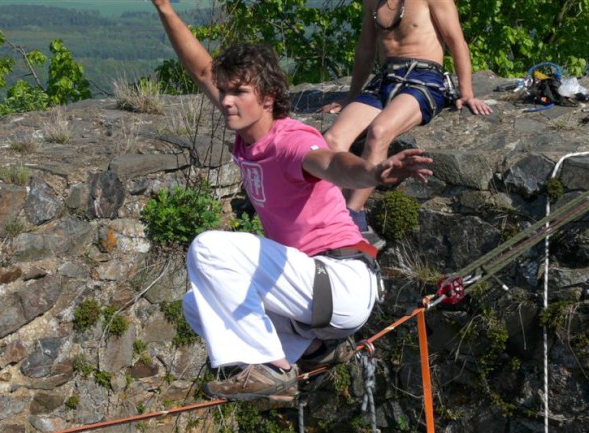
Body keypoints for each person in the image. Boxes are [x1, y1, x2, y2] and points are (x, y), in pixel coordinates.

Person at [151, 0, 433, 403]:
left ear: (267, 98)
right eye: (225, 91)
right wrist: (164, 7)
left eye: (239, 92)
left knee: (208, 249)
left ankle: (271, 369)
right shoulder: (250, 133)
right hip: (314, 306)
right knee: (197, 305)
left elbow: (333, 162)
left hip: (340, 280)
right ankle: (317, 350)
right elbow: (201, 70)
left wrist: (371, 174)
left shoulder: (289, 140)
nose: (227, 100)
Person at [321, 0, 492, 238]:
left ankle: (352, 214)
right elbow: (366, 50)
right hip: (385, 78)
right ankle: (333, 211)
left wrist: (467, 93)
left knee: (379, 131)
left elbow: (456, 41)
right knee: (331, 139)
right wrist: (351, 97)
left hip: (424, 79)